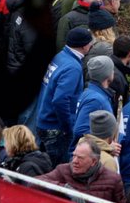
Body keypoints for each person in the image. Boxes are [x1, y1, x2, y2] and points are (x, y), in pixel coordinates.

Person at [33, 26, 93, 164]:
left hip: (44, 122)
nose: (92, 45)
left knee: (43, 165)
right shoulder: (73, 67)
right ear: (84, 46)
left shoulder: (60, 57)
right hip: (55, 128)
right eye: (90, 42)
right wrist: (68, 127)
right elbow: (60, 100)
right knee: (56, 171)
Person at [35, 137, 125, 203]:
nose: (74, 161)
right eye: (74, 156)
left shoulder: (113, 179)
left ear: (93, 161)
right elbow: (33, 182)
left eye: (80, 158)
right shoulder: (63, 170)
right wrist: (64, 188)